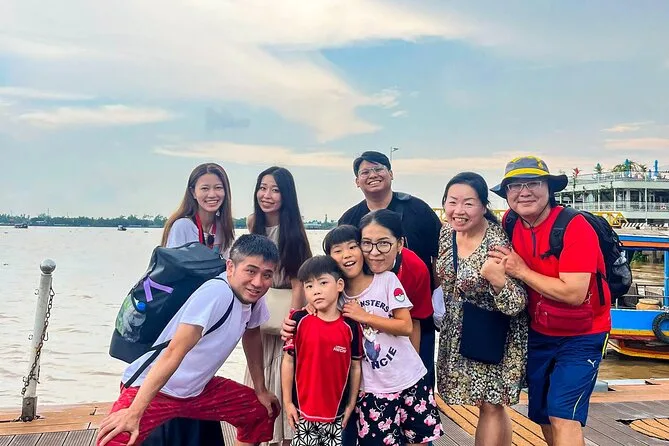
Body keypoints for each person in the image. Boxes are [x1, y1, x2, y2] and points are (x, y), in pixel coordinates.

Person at [97, 234, 281, 446]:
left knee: (260, 411)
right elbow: (174, 351)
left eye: (267, 275)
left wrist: (260, 389)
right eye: (250, 271)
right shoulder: (216, 293)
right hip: (157, 389)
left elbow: (252, 334)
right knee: (115, 438)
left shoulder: (254, 297)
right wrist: (134, 412)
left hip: (199, 391)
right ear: (230, 267)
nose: (258, 282)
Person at [489, 156, 611, 446]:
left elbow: (574, 293)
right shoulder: (510, 222)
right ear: (506, 193)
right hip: (539, 332)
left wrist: (521, 271)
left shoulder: (574, 226)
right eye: (515, 186)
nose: (524, 192)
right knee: (544, 415)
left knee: (563, 414)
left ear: (549, 188)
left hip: (583, 334)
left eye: (533, 183)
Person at [285, 225, 444, 446]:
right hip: (371, 389)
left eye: (353, 246)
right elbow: (313, 327)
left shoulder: (386, 280)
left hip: (409, 378)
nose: (346, 255)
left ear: (362, 249)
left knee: (419, 441)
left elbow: (406, 326)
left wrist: (364, 316)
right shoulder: (334, 298)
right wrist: (298, 319)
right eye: (337, 250)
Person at [144, 162, 236, 446]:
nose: (212, 194)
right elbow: (176, 276)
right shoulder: (183, 226)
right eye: (205, 188)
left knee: (197, 375)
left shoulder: (223, 230)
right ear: (193, 192)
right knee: (176, 374)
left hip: (206, 317)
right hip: (180, 315)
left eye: (218, 188)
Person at [436, 172, 528, 446]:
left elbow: (518, 302)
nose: (459, 210)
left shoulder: (496, 242)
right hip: (460, 331)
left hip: (493, 332)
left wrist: (498, 281)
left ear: (484, 206)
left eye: (469, 203)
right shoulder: (447, 233)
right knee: (490, 404)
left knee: (490, 404)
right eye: (452, 202)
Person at [246, 166, 313, 446]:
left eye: (275, 190)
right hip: (258, 311)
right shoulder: (253, 223)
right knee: (257, 376)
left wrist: (292, 322)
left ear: (286, 195)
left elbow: (299, 283)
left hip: (283, 315)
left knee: (282, 378)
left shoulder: (293, 232)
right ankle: (257, 434)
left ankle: (282, 438)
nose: (267, 195)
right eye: (262, 188)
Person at [281, 256, 363, 446]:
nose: (316, 290)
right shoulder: (298, 319)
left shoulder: (351, 326)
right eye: (309, 286)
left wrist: (351, 404)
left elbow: (355, 366)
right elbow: (288, 361)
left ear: (339, 285)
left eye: (323, 283)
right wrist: (288, 402)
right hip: (303, 413)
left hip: (337, 414)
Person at [357, 209, 436, 386]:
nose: (374, 252)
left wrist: (412, 377)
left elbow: (414, 321)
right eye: (366, 243)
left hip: (394, 349)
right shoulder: (352, 266)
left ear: (400, 244)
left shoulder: (415, 269)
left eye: (384, 243)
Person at [338, 151, 442, 281]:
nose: (373, 175)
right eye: (365, 172)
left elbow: (439, 254)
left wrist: (438, 291)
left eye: (378, 169)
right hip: (368, 292)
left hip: (417, 289)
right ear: (357, 181)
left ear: (391, 174)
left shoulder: (419, 209)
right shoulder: (348, 220)